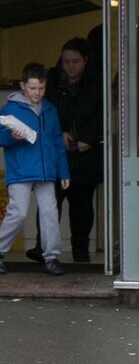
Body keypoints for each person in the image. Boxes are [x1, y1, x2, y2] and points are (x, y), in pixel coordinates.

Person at [0, 62, 70, 275]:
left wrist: (64, 171)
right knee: (19, 212)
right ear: (23, 85)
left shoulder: (50, 109)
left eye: (41, 88)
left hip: (45, 169)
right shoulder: (11, 109)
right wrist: (12, 136)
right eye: (33, 88)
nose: (37, 93)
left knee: (50, 212)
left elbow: (58, 143)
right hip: (21, 168)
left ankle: (51, 257)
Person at [45, 35, 105, 264]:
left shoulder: (95, 81)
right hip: (57, 152)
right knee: (50, 203)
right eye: (66, 61)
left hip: (84, 153)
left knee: (81, 207)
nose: (70, 66)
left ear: (86, 60)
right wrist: (59, 131)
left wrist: (85, 137)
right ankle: (45, 251)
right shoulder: (52, 80)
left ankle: (81, 253)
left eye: (75, 61)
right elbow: (45, 110)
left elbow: (102, 112)